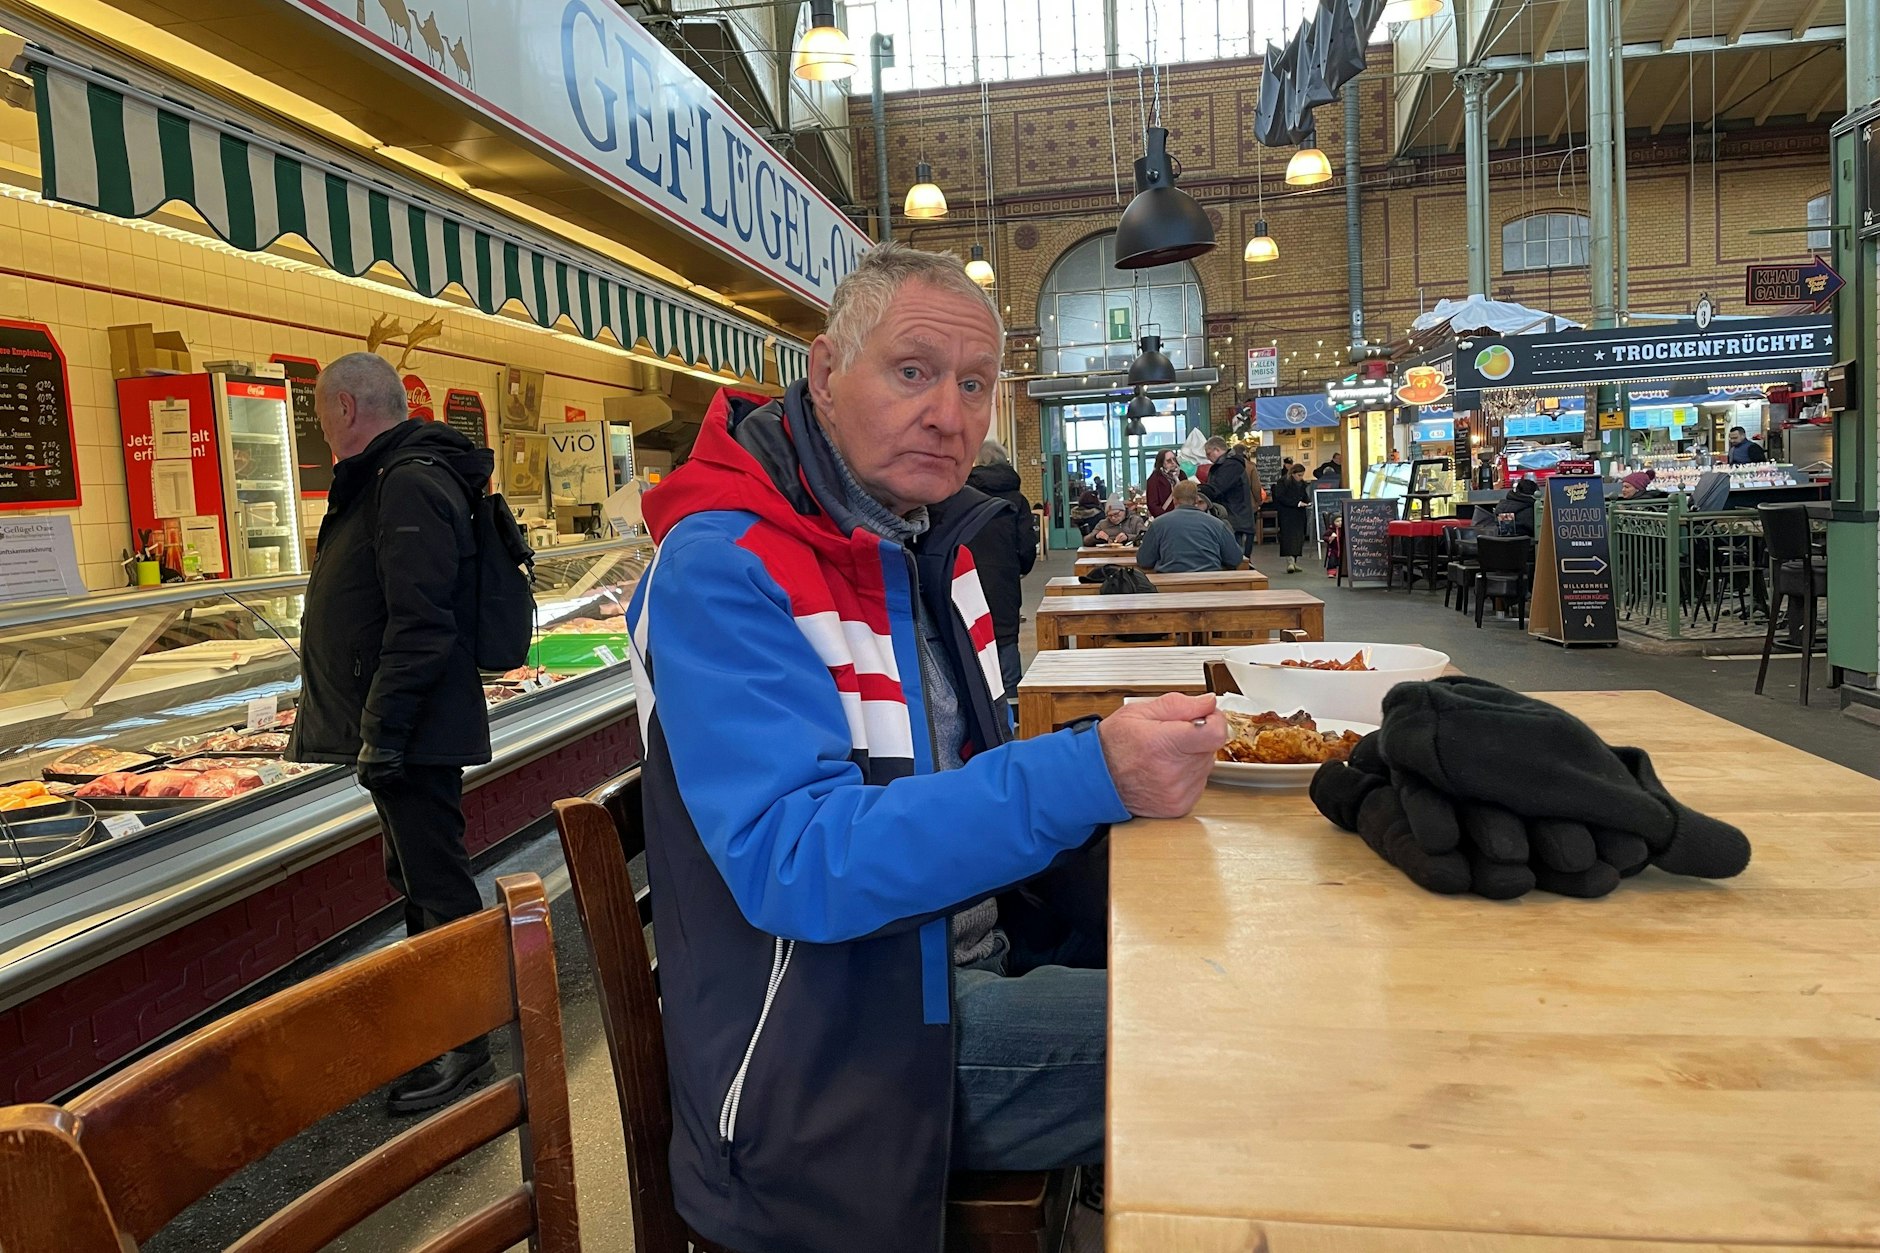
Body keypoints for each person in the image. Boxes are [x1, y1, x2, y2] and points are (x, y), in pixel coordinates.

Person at [626, 243, 1225, 1252]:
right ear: (823, 372)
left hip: (958, 978)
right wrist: (1085, 770)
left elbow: (961, 784)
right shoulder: (719, 568)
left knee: (1234, 960)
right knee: (1242, 1035)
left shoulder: (918, 546)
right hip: (827, 1059)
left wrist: (1106, 764)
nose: (948, 413)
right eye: (911, 371)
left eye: (974, 383)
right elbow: (796, 861)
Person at [289, 351, 496, 1114]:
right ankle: (437, 1027)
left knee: (438, 885)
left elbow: (421, 623)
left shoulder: (405, 481)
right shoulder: (390, 476)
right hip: (407, 725)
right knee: (416, 879)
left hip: (414, 727)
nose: (321, 428)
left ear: (345, 408)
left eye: (318, 413)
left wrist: (382, 730)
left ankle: (466, 1043)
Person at [965, 439, 1037, 702]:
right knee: (1005, 633)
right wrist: (1021, 568)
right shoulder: (1017, 498)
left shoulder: (962, 495)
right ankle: (1012, 701)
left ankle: (981, 699)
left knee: (972, 631)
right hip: (1004, 575)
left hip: (966, 575)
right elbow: (1027, 542)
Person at [1136, 479, 1246, 574]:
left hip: (1171, 588)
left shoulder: (1158, 524)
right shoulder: (1217, 524)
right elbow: (1235, 559)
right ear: (1196, 500)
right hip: (1210, 585)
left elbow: (1144, 560)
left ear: (1174, 499)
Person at [1198, 437, 1259, 559]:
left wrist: (1195, 489)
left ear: (1217, 450)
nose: (1207, 457)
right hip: (1236, 518)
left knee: (1238, 560)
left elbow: (1216, 488)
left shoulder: (1231, 466)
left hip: (1236, 520)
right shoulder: (1229, 465)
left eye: (1208, 453)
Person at [1272, 462, 1313, 574]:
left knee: (1299, 537)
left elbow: (1305, 496)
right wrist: (1297, 503)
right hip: (1287, 513)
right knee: (1288, 537)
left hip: (1299, 513)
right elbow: (1280, 497)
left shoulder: (1302, 484)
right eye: (1299, 475)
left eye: (1302, 475)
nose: (1301, 478)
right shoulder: (1282, 482)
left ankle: (1294, 561)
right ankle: (1290, 561)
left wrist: (1308, 502)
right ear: (1293, 474)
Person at [1144, 448, 1187, 517]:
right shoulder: (1154, 479)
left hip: (1183, 515)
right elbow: (1152, 504)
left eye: (1174, 459)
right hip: (1166, 517)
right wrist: (1164, 518)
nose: (1173, 462)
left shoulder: (1181, 475)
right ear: (1161, 463)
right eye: (1169, 461)